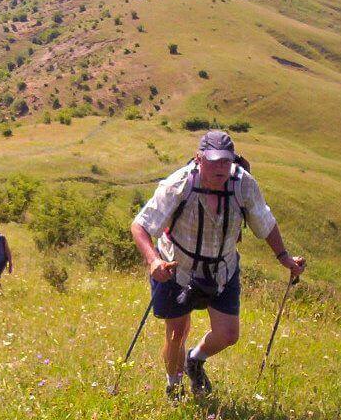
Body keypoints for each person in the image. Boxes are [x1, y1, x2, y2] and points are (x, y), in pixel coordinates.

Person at [130, 130, 306, 400]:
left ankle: (195, 360)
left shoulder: (243, 184)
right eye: (213, 161)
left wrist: (284, 258)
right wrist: (154, 261)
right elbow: (141, 225)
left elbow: (265, 223)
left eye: (226, 161)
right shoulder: (179, 184)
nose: (221, 168)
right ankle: (173, 390)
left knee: (228, 334)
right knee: (177, 332)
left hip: (222, 269)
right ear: (199, 158)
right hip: (177, 268)